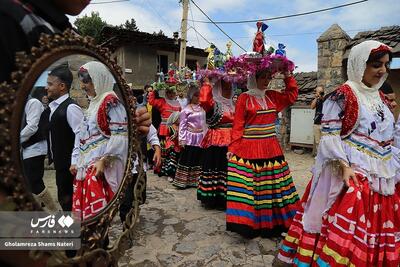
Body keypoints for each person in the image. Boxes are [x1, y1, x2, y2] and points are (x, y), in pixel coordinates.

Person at [277, 40, 400, 266]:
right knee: (341, 231)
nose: (382, 70)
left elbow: (388, 136)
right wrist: (344, 167)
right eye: (375, 65)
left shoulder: (381, 98)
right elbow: (330, 135)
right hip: (350, 176)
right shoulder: (343, 95)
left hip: (381, 178)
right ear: (359, 64)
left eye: (385, 64)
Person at [225, 55, 300, 238]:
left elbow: (292, 96)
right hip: (249, 148)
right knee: (251, 188)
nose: (266, 80)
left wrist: (287, 76)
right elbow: (238, 125)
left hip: (270, 147)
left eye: (269, 77)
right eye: (263, 77)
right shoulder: (244, 98)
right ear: (254, 78)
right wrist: (232, 149)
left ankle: (274, 223)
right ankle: (250, 224)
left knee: (273, 187)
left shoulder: (273, 96)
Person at [72, 61, 128, 220]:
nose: (83, 86)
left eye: (86, 81)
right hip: (88, 168)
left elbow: (120, 136)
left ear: (98, 79)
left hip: (100, 169)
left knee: (98, 217)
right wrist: (76, 160)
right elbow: (82, 136)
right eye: (82, 81)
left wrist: (104, 161)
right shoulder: (94, 104)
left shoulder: (110, 101)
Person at [46, 64, 83, 212]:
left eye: (50, 84)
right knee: (64, 199)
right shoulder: (54, 107)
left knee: (69, 202)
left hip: (70, 167)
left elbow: (81, 136)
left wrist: (74, 162)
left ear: (62, 86)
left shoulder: (71, 108)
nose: (46, 87)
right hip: (61, 165)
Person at [197, 76, 235, 209]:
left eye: (230, 88)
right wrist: (207, 84)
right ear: (218, 89)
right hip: (216, 141)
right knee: (216, 167)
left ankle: (226, 198)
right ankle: (212, 199)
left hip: (232, 142)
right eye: (225, 88)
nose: (228, 91)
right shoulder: (213, 104)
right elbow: (204, 101)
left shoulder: (233, 104)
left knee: (227, 170)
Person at [21, 91, 58, 211]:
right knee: (30, 183)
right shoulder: (20, 105)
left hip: (35, 148)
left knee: (35, 182)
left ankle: (55, 212)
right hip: (27, 148)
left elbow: (32, 126)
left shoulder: (32, 103)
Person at [173, 84, 206, 189]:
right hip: (189, 137)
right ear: (191, 96)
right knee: (188, 158)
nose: (198, 97)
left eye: (199, 95)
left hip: (200, 136)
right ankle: (183, 181)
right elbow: (182, 125)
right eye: (196, 95)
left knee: (199, 158)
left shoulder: (203, 108)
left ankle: (196, 180)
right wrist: (182, 139)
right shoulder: (186, 110)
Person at [148, 85, 181, 175]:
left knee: (174, 150)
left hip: (175, 129)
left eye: (173, 92)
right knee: (163, 150)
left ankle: (172, 169)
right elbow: (151, 101)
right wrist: (154, 90)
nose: (171, 94)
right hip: (164, 129)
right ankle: (160, 168)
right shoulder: (162, 101)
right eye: (169, 92)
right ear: (166, 93)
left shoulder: (178, 103)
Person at [159, 111, 182, 181]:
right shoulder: (170, 127)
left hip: (179, 146)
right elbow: (167, 137)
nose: (180, 120)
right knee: (172, 159)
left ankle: (177, 174)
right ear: (175, 119)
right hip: (172, 146)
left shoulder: (180, 128)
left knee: (179, 160)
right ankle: (170, 174)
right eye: (178, 119)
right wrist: (170, 143)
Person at [311, 86, 324, 156]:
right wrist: (316, 97)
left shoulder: (325, 99)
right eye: (317, 91)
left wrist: (321, 96)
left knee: (324, 141)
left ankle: (324, 155)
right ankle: (319, 156)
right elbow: (312, 107)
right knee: (317, 141)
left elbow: (323, 100)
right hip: (316, 123)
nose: (318, 93)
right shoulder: (317, 99)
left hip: (324, 123)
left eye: (319, 91)